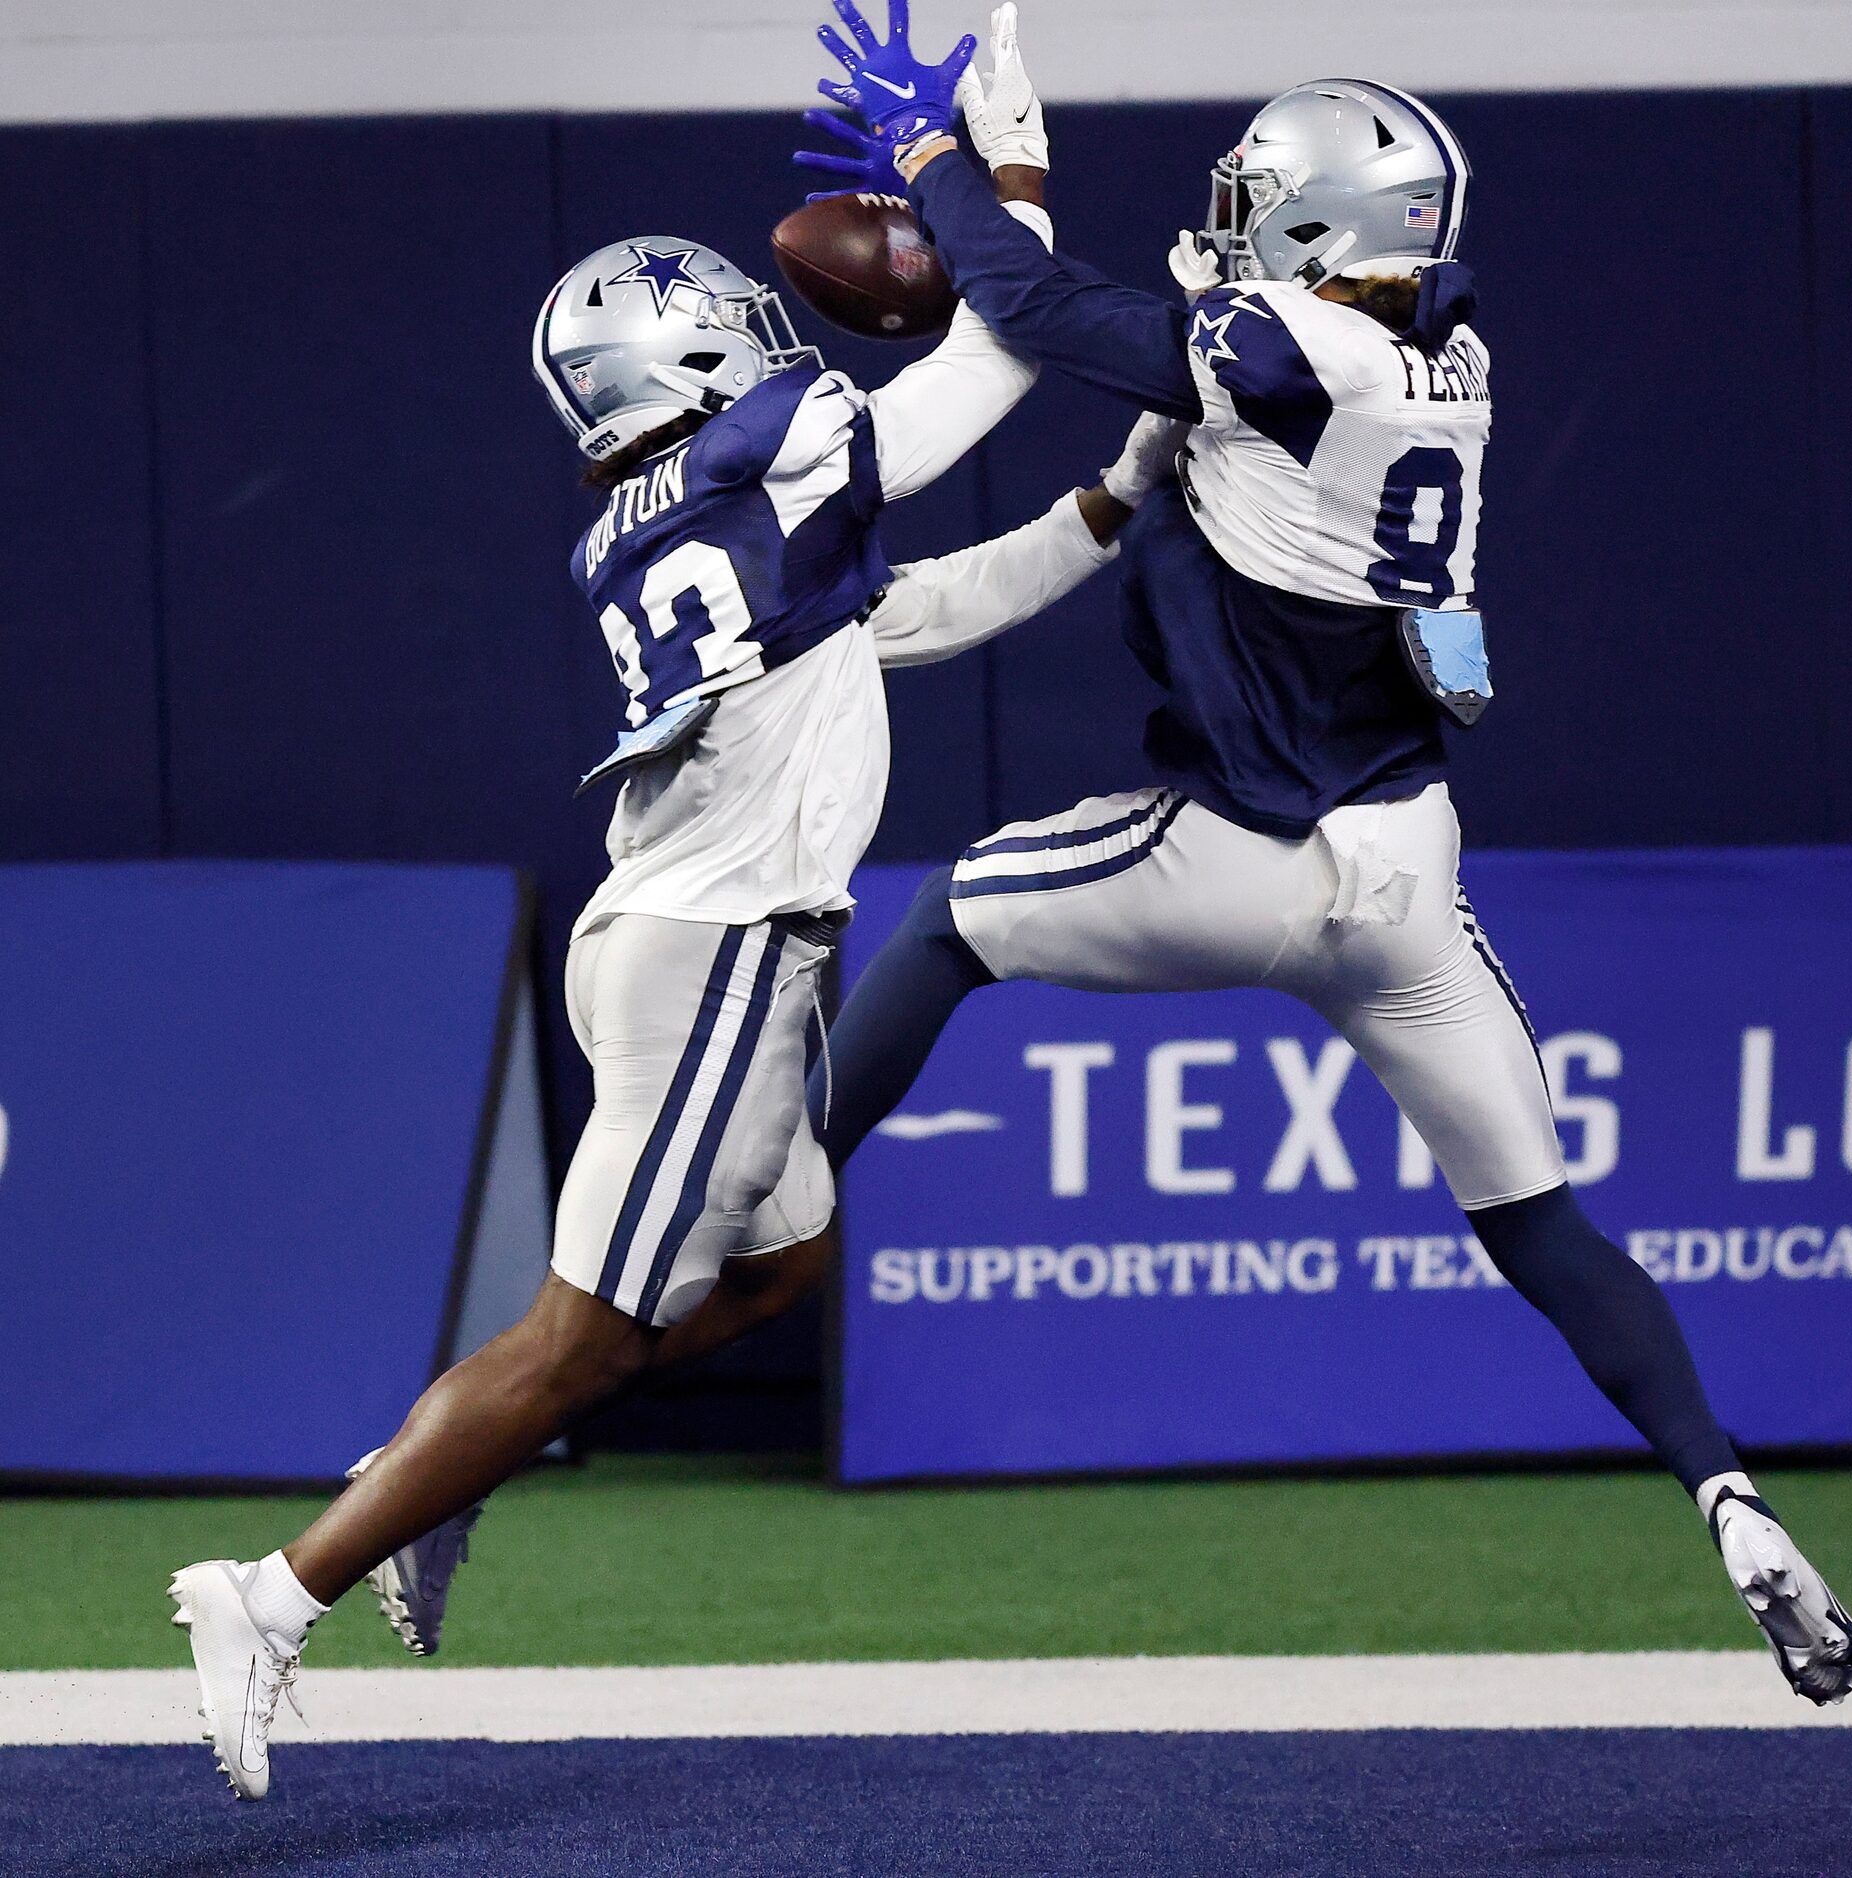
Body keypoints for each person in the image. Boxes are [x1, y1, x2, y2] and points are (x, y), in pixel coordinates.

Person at [795, 4, 1852, 1703]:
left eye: (1257, 200)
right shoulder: (1447, 351)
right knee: (1542, 1223)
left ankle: (786, 1173)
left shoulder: (1304, 351)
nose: (1227, 221)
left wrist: (940, 165)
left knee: (946, 925)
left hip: (1251, 842)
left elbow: (1046, 311)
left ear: (1322, 231)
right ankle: (1727, 1496)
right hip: (1412, 880)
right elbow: (1163, 440)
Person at [166, 79, 1179, 1793]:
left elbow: (913, 615)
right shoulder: (760, 456)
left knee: (784, 1265)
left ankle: (433, 1465)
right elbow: (991, 364)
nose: (769, 336)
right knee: (579, 1334)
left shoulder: (674, 515)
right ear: (681, 364)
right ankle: (271, 1591)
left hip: (703, 946)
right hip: (717, 957)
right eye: (727, 326)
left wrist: (1112, 501)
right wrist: (1011, 175)